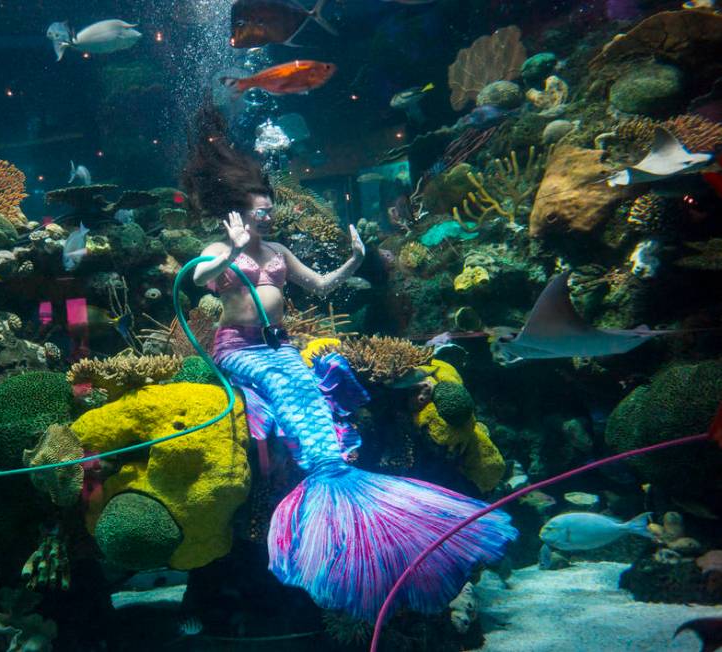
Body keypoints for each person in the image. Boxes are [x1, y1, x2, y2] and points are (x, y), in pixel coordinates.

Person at [181, 102, 516, 621]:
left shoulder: (277, 253)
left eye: (270, 209)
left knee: (314, 398)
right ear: (239, 211)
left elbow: (320, 286)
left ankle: (334, 476)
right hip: (238, 348)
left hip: (280, 343)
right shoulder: (218, 248)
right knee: (286, 390)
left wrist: (355, 259)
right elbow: (200, 280)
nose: (268, 215)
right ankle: (320, 486)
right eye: (260, 209)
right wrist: (233, 249)